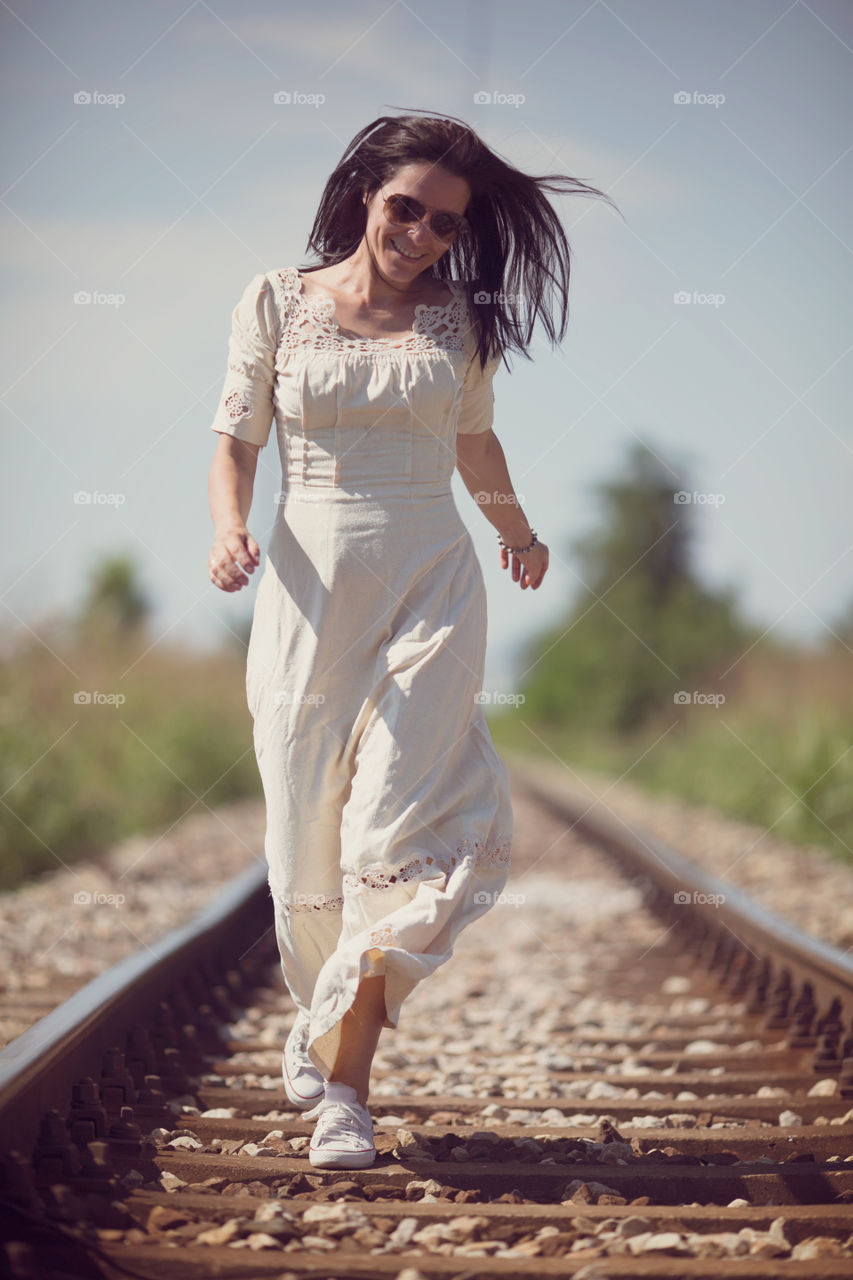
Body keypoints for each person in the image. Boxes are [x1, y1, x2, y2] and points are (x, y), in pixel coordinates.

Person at [206, 110, 613, 1169]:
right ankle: (319, 1009)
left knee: (395, 833)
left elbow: (473, 437)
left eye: (443, 224)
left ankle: (348, 1094)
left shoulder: (459, 323)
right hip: (307, 589)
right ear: (363, 198)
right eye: (405, 209)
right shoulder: (272, 301)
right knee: (307, 844)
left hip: (432, 582)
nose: (421, 234)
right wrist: (226, 529)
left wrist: (516, 530)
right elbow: (235, 438)